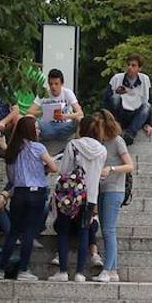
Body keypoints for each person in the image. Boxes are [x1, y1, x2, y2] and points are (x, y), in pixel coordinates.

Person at [0, 116, 56, 281]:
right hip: (36, 193)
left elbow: (12, 179)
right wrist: (42, 169)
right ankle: (23, 269)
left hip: (18, 194)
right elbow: (53, 167)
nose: (39, 130)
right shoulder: (38, 148)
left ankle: (0, 269)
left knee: (13, 232)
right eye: (36, 127)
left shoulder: (12, 151)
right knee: (28, 233)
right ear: (30, 130)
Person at [49, 116, 108, 282]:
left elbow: (64, 171)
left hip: (70, 196)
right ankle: (80, 273)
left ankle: (62, 271)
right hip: (90, 197)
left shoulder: (73, 145)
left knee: (63, 231)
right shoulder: (102, 150)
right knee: (84, 232)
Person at [92, 110, 135, 283]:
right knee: (106, 229)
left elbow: (130, 165)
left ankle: (108, 269)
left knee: (109, 230)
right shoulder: (99, 143)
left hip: (115, 189)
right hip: (102, 189)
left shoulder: (117, 141)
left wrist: (112, 169)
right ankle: (113, 270)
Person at [103, 54, 152, 144]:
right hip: (120, 115)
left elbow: (149, 102)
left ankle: (130, 134)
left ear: (140, 68)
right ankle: (115, 126)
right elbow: (106, 101)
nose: (130, 67)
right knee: (115, 97)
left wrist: (149, 124)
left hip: (136, 116)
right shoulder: (117, 78)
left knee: (146, 106)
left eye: (133, 65)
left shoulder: (145, 79)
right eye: (128, 65)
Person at [28, 69, 83, 142]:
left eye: (56, 84)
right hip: (47, 127)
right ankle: (33, 147)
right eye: (51, 84)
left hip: (65, 125)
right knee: (29, 118)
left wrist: (65, 116)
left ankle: (79, 145)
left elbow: (80, 112)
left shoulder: (68, 93)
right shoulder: (44, 93)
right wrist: (43, 112)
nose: (53, 87)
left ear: (62, 84)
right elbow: (29, 111)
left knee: (80, 118)